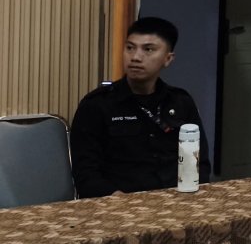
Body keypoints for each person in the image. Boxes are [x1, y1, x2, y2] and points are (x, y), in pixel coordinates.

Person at [70, 17, 211, 198]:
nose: (135, 57)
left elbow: (200, 164)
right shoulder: (97, 105)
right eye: (130, 48)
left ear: (168, 59)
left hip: (178, 200)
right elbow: (86, 175)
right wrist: (121, 201)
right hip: (119, 204)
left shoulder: (181, 102)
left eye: (148, 49)